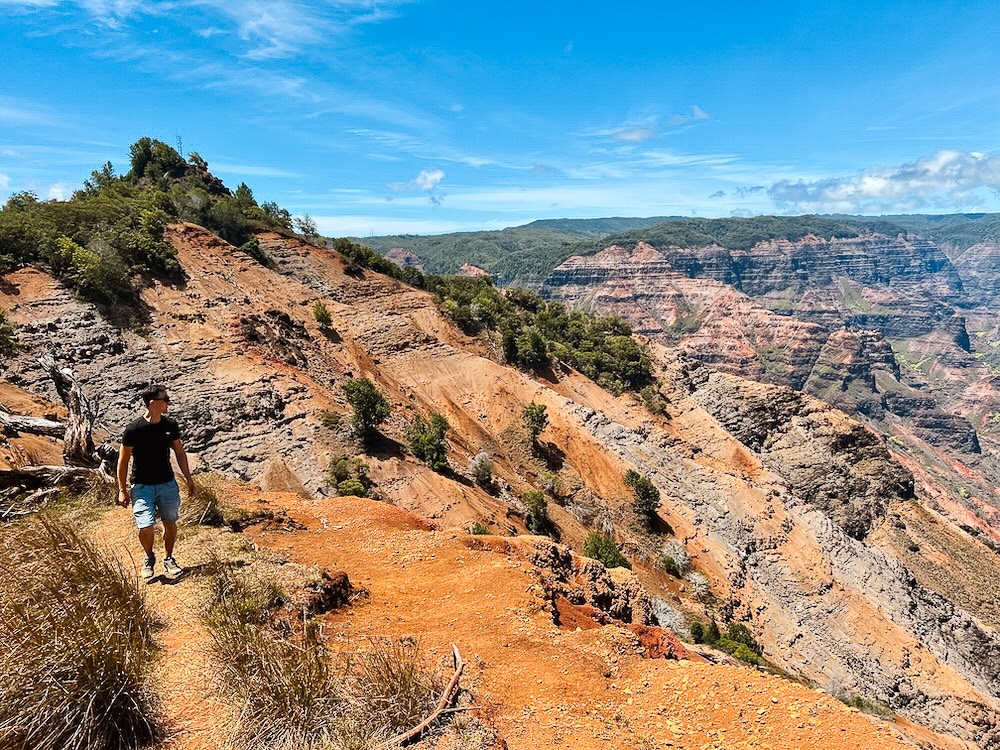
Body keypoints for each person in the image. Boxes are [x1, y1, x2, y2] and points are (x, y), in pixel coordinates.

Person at [117, 384, 196, 581]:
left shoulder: (170, 426)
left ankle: (169, 557)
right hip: (142, 485)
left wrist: (188, 478)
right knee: (146, 526)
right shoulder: (133, 430)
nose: (168, 402)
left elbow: (179, 452)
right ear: (153, 403)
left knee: (170, 522)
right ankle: (149, 557)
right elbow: (123, 460)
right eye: (165, 399)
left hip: (167, 483)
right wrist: (122, 490)